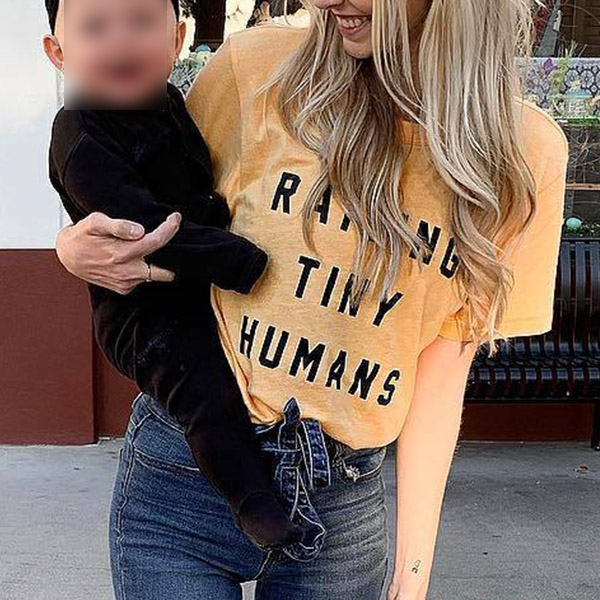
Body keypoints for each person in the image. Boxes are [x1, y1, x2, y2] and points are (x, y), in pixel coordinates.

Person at [54, 1, 569, 598]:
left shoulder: (524, 153)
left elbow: (443, 365)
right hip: (182, 470)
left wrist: (413, 569)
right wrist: (71, 245)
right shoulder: (254, 66)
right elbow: (142, 196)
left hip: (341, 502)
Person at [42, 0, 306, 551]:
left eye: (142, 22)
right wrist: (240, 259)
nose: (121, 41)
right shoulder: (78, 132)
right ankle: (252, 501)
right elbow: (142, 226)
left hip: (196, 279)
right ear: (58, 53)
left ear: (178, 39)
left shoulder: (173, 103)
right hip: (143, 308)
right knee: (200, 383)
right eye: (95, 28)